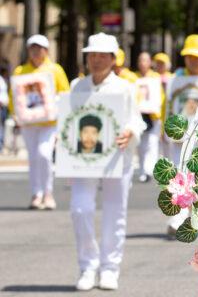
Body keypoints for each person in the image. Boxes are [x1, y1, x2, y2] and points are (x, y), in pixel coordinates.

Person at [69, 33, 146, 291]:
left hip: (116, 158)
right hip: (84, 159)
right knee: (80, 209)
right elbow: (69, 120)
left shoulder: (124, 88)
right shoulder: (76, 87)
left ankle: (110, 268)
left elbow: (137, 120)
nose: (97, 60)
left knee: (115, 213)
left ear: (114, 59)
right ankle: (88, 266)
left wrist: (130, 133)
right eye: (92, 55)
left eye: (103, 55)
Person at [9, 34, 70, 210]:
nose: (36, 52)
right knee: (34, 158)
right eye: (32, 48)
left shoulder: (55, 70)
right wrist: (15, 114)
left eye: (39, 48)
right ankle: (36, 193)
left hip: (49, 123)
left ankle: (48, 192)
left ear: (46, 50)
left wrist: (55, 105)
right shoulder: (20, 71)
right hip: (29, 123)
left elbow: (65, 93)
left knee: (44, 154)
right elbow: (15, 96)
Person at [165, 34, 198, 236]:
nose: (193, 60)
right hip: (180, 137)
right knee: (179, 176)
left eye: (197, 56)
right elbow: (167, 104)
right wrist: (164, 130)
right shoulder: (176, 78)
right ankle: (177, 219)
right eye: (188, 56)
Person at [135, 52, 164, 183]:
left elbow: (161, 98)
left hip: (153, 116)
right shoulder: (134, 78)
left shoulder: (155, 77)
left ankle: (148, 171)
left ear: (150, 62)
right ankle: (142, 170)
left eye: (145, 60)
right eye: (141, 60)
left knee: (152, 143)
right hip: (139, 115)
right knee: (141, 145)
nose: (143, 63)